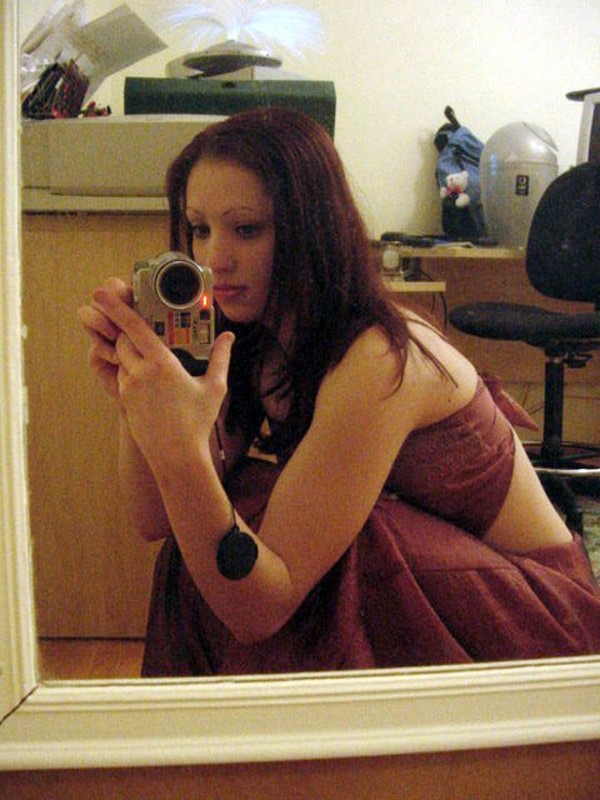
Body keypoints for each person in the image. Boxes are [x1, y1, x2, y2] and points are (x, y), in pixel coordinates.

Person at [78, 107, 600, 676]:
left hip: (538, 612)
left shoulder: (376, 356)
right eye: (200, 229)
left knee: (334, 555)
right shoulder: (253, 335)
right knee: (214, 521)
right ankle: (211, 729)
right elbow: (156, 519)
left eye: (247, 229)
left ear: (310, 229)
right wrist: (138, 392)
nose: (214, 259)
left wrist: (181, 452)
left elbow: (263, 608)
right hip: (450, 579)